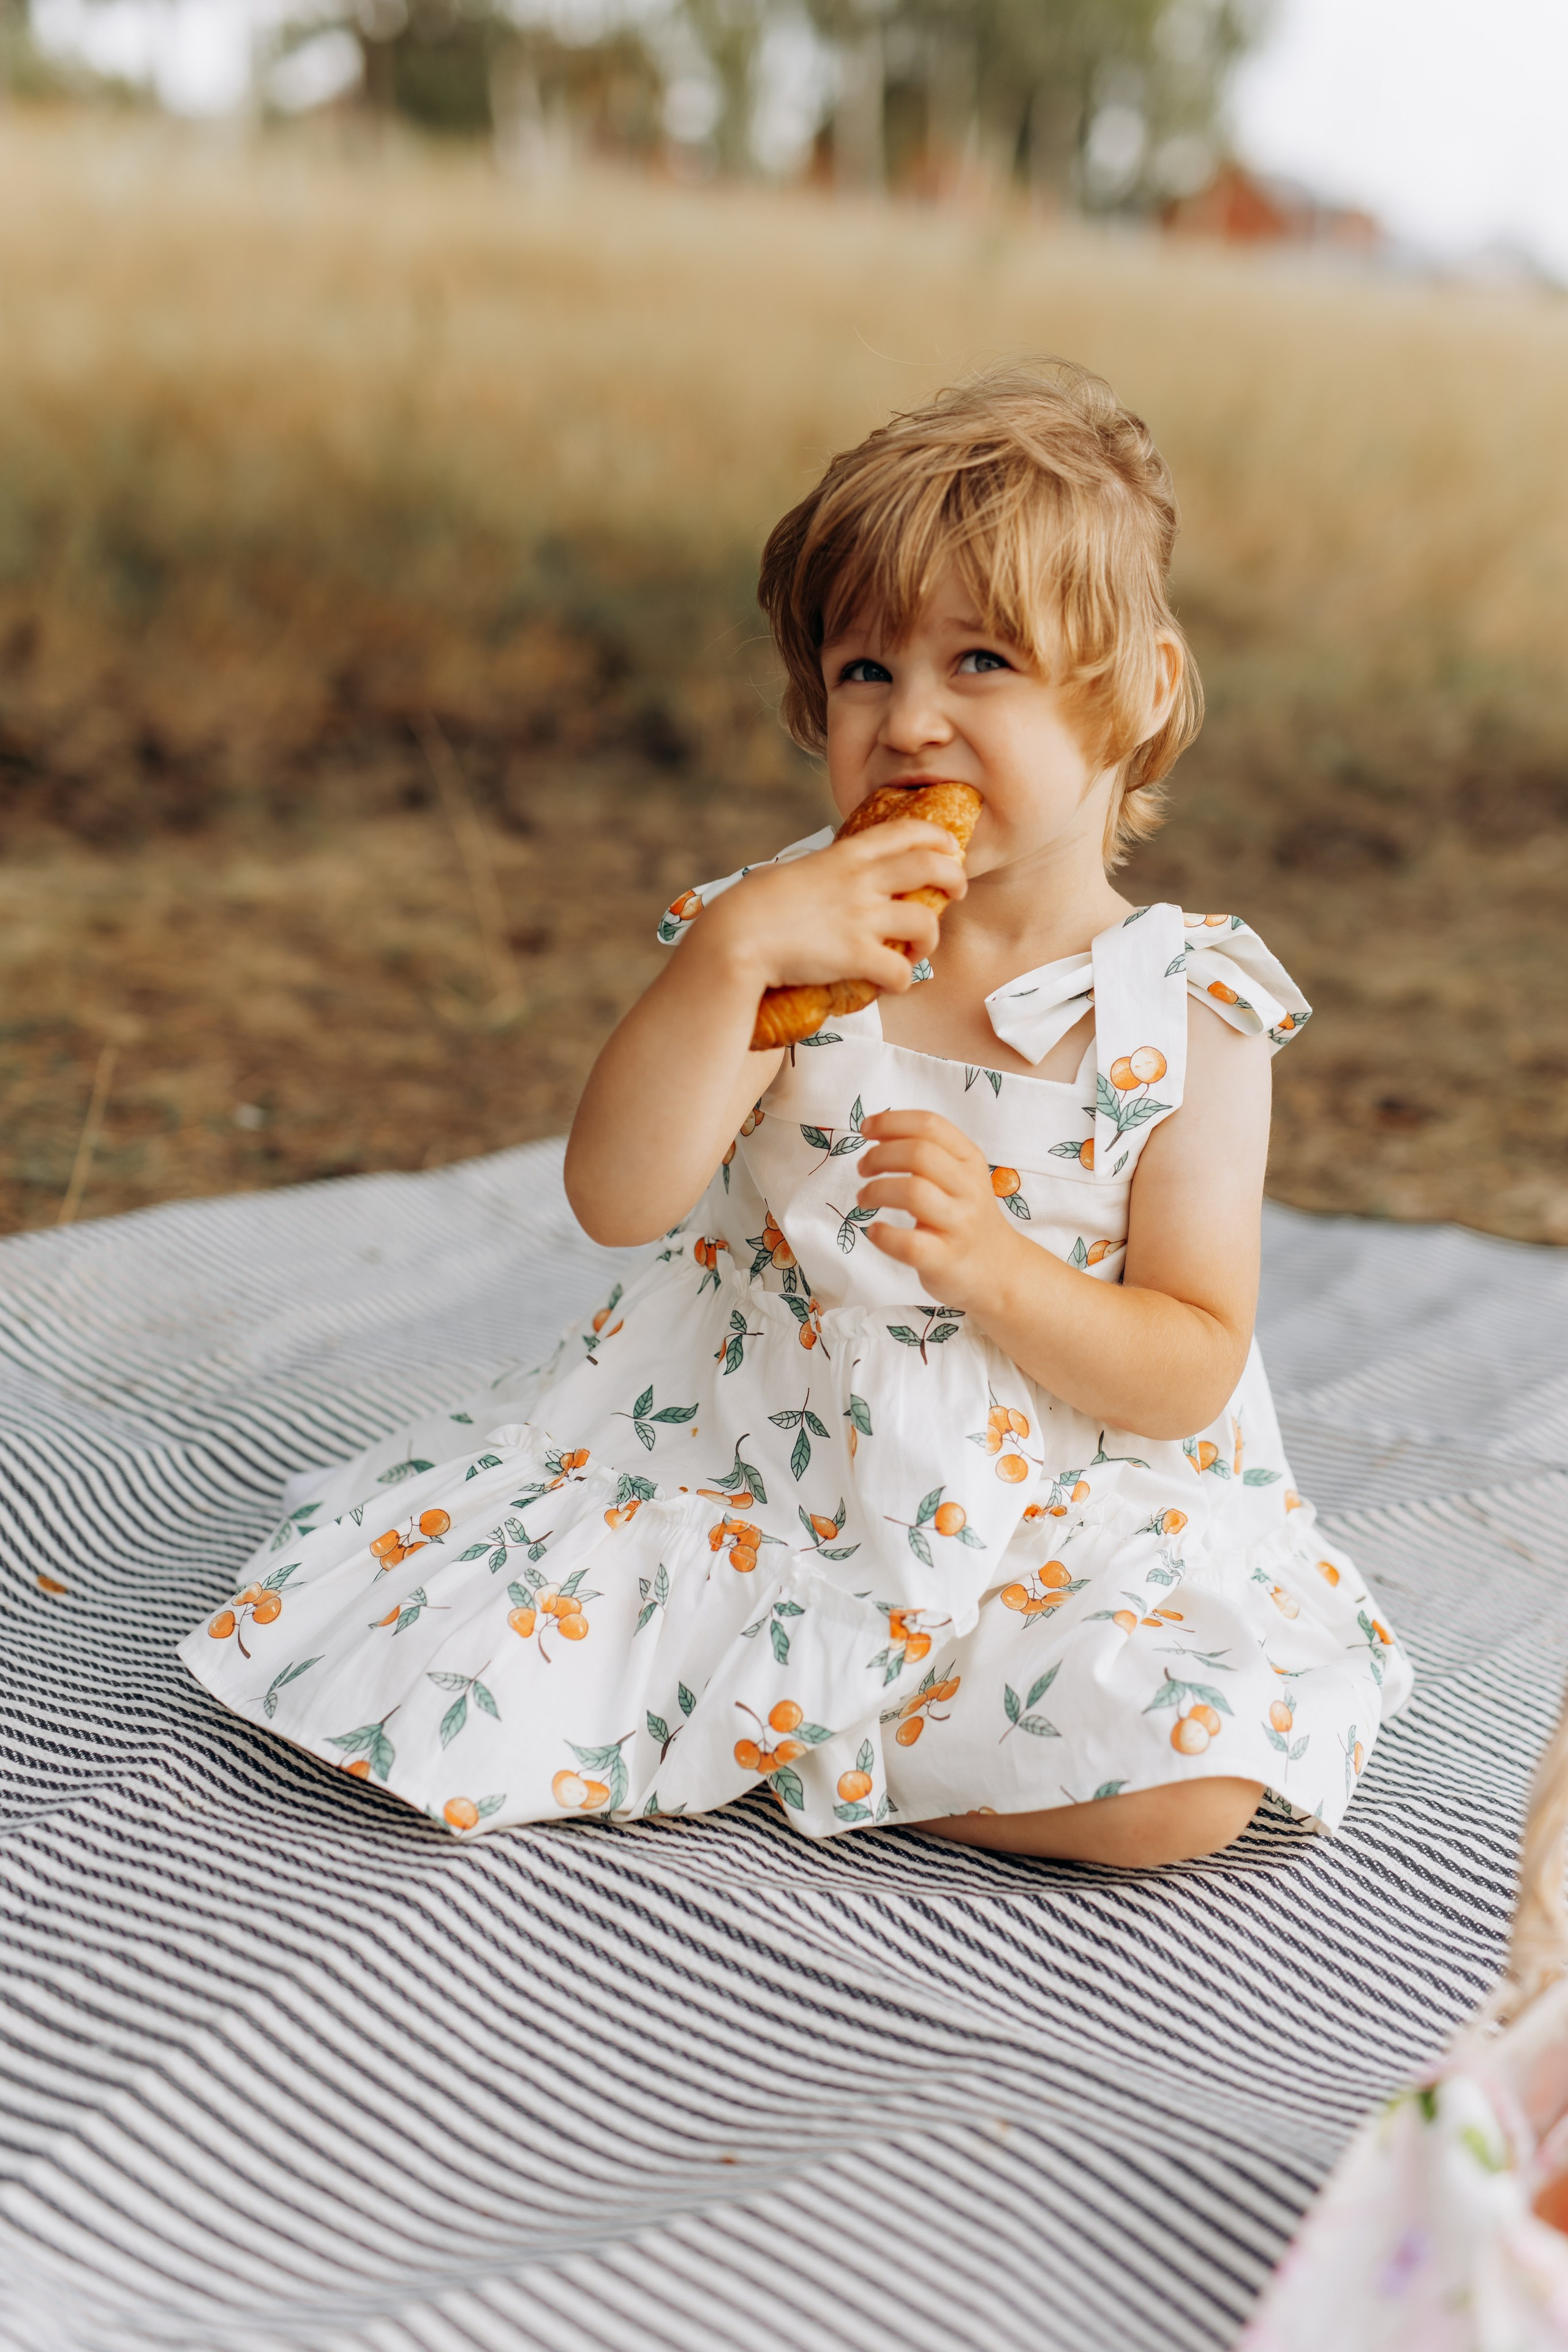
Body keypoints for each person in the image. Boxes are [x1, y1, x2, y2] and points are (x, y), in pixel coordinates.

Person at [179, 360, 1411, 1864]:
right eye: (863, 671)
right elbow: (617, 1197)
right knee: (450, 1664)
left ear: (1139, 693)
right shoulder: (790, 934)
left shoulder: (1184, 1019)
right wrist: (729, 960)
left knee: (1185, 1789)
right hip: (758, 1462)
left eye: (981, 662)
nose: (910, 722)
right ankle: (781, 1696)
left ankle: (812, 1732)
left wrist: (994, 1269)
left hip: (1051, 1513)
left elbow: (1189, 1364)